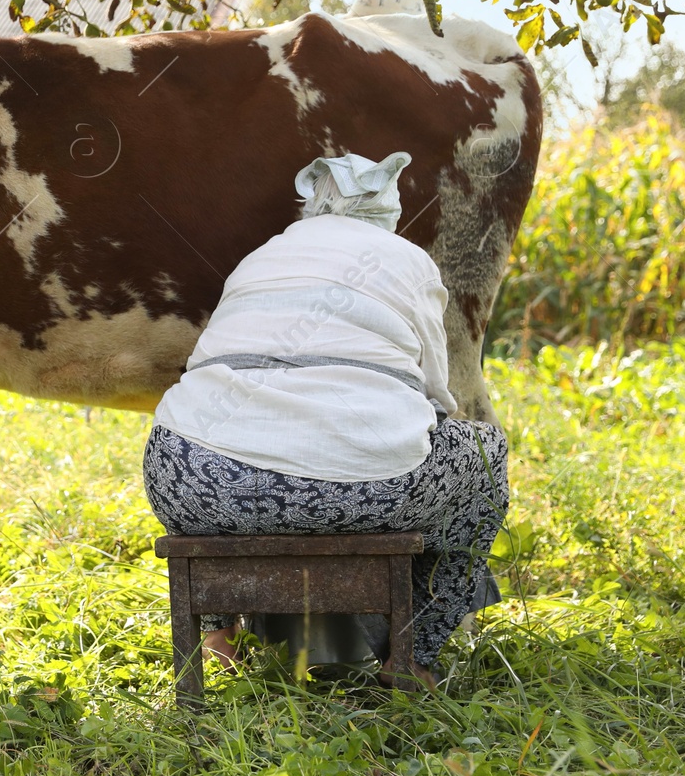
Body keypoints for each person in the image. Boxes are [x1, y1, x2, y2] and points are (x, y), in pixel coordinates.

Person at [143, 152, 509, 687]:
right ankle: (413, 658)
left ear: (311, 206)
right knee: (484, 454)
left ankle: (221, 635)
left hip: (192, 478)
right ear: (386, 211)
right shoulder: (407, 259)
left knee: (201, 432)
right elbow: (436, 391)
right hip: (358, 493)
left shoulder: (262, 256)